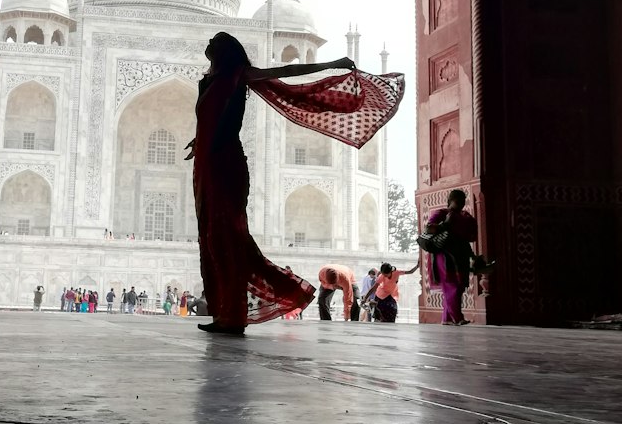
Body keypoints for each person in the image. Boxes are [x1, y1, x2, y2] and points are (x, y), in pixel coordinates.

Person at [186, 31, 404, 336]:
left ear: (227, 51)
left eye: (216, 41)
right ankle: (224, 311)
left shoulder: (241, 74)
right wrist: (199, 141)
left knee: (229, 240)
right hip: (207, 164)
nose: (208, 43)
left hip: (226, 165)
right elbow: (208, 119)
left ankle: (238, 313)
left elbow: (288, 72)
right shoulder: (206, 81)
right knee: (212, 239)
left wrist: (333, 63)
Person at [424, 187, 481, 325]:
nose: (461, 204)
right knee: (452, 286)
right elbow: (428, 229)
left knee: (459, 286)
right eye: (458, 201)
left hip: (461, 255)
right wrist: (446, 224)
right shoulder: (441, 214)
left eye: (463, 201)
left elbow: (471, 236)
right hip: (445, 257)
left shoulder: (464, 216)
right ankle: (457, 318)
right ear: (450, 201)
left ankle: (447, 319)